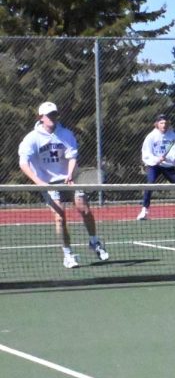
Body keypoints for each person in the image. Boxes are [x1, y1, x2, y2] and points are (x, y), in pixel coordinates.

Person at [18, 101, 110, 269]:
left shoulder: (65, 134)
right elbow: (23, 163)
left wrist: (69, 174)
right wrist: (39, 182)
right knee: (60, 219)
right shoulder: (32, 138)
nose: (53, 117)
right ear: (41, 118)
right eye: (49, 115)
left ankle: (94, 242)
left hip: (69, 179)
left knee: (85, 209)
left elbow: (72, 157)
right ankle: (68, 255)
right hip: (48, 183)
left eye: (55, 114)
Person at [138, 113, 175, 219]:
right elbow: (146, 152)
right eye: (161, 123)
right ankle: (144, 210)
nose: (164, 125)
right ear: (157, 124)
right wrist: (156, 159)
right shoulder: (151, 136)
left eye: (166, 123)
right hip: (154, 166)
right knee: (150, 185)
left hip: (168, 166)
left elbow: (174, 151)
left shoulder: (172, 136)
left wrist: (167, 158)